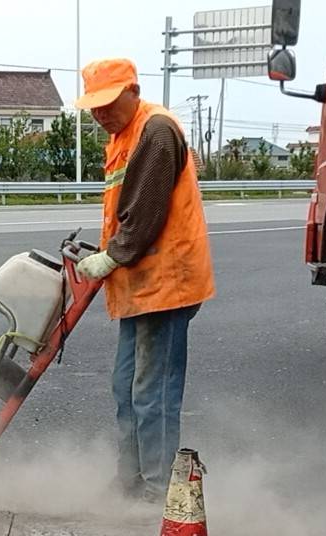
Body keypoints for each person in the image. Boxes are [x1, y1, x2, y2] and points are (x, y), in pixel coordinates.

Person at [74, 58, 217, 502]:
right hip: (140, 282)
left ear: (132, 91)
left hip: (166, 283)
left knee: (152, 392)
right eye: (93, 107)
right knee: (126, 386)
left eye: (108, 103)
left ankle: (159, 491)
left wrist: (111, 256)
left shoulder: (155, 130)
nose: (100, 114)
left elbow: (146, 212)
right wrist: (111, 256)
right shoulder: (124, 134)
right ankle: (130, 480)